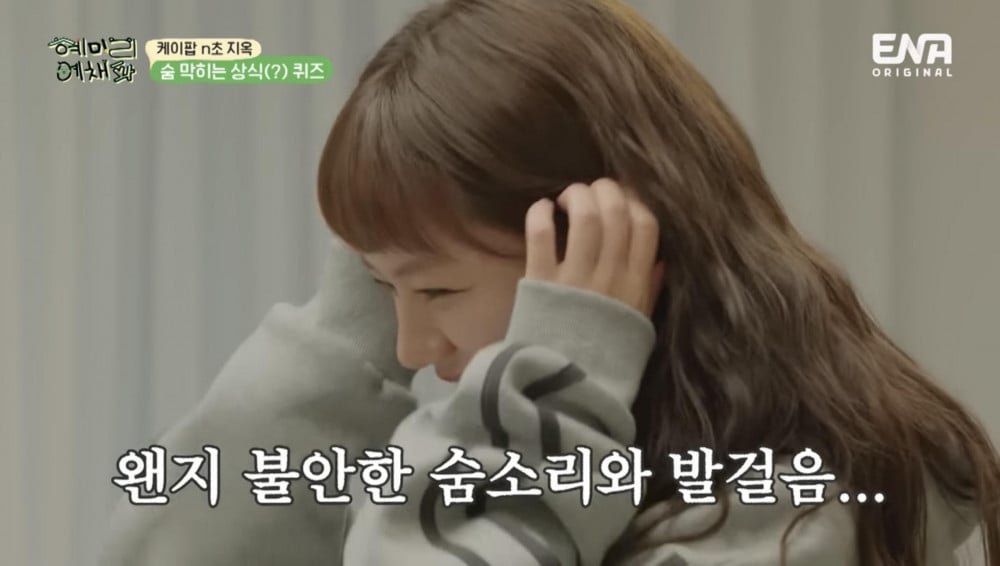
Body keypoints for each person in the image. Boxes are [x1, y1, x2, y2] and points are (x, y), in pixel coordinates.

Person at [101, 0, 999, 564]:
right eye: (382, 291)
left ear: (595, 247)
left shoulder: (798, 512)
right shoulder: (530, 441)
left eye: (439, 293)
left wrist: (552, 386)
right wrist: (347, 334)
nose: (411, 349)